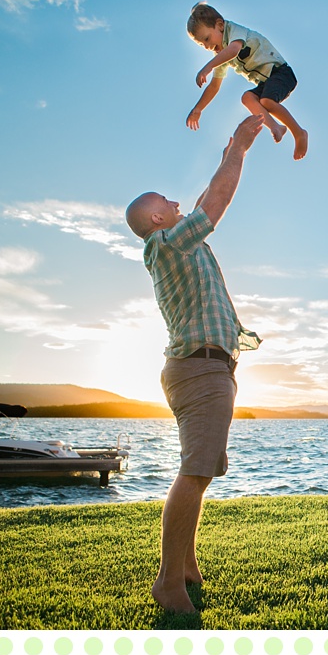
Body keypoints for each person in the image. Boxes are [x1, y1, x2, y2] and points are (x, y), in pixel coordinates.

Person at [125, 114, 264, 613]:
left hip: (209, 368)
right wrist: (240, 148)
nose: (178, 204)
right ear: (157, 219)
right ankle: (168, 582)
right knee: (194, 473)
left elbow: (204, 201)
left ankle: (186, 567)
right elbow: (214, 203)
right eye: (168, 202)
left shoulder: (180, 246)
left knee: (200, 471)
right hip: (198, 370)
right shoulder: (163, 246)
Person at [186, 2, 308, 161]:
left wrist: (208, 67)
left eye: (207, 39)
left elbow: (234, 49)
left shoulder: (233, 31)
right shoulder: (221, 56)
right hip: (267, 82)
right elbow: (215, 85)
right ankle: (276, 127)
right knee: (247, 98)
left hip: (281, 72)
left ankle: (299, 133)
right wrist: (198, 108)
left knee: (267, 101)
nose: (208, 46)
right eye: (203, 45)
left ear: (220, 25)